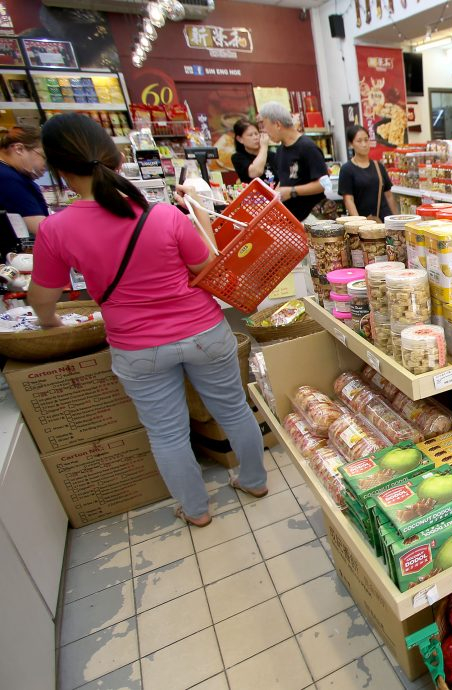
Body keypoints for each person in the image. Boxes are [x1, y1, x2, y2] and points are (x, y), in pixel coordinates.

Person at [27, 113, 268, 528]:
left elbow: (42, 299)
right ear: (116, 159)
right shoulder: (163, 215)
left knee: (167, 433)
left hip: (137, 347)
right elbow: (208, 266)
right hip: (203, 331)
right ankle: (255, 481)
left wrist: (50, 323)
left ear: (61, 171)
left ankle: (196, 511)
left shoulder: (56, 229)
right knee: (234, 410)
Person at [258, 101, 327, 221]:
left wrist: (292, 191)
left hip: (313, 217)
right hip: (293, 218)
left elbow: (324, 184)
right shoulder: (280, 150)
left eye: (264, 125)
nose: (264, 131)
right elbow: (285, 180)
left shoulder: (307, 147)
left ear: (277, 125)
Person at [339, 125, 397, 220]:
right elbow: (348, 200)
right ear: (351, 144)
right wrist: (359, 223)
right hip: (363, 223)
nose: (364, 144)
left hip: (384, 221)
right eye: (359, 141)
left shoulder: (379, 166)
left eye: (366, 140)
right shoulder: (347, 169)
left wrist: (395, 220)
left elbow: (389, 195)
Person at [0, 125, 49, 236]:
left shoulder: (9, 173)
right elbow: (41, 228)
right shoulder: (8, 179)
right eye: (44, 157)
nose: (45, 166)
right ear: (19, 149)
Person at [230, 118, 276, 185]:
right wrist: (264, 147)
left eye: (256, 134)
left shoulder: (273, 155)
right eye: (250, 135)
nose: (256, 137)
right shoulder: (238, 158)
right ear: (240, 139)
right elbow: (256, 172)